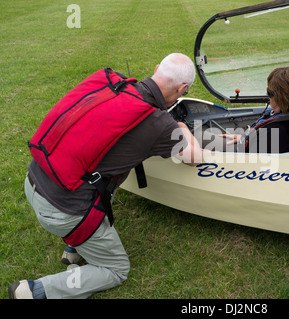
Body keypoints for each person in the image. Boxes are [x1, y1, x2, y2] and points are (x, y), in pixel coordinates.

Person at [8, 53, 203, 299]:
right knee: (116, 269)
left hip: (34, 179)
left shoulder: (116, 85)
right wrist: (182, 127)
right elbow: (194, 157)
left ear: (156, 69)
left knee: (100, 172)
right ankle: (34, 291)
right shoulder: (160, 124)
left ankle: (75, 247)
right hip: (63, 211)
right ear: (182, 88)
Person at [220, 66, 289, 153]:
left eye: (270, 92)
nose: (267, 94)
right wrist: (247, 138)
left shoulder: (275, 132)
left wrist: (211, 156)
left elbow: (246, 163)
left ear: (281, 98)